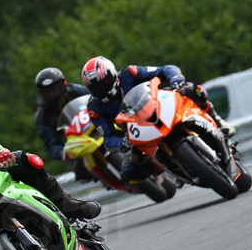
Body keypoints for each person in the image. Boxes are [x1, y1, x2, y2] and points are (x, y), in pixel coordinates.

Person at [81, 56, 235, 181]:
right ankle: (171, 169)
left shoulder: (130, 73)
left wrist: (176, 79)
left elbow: (165, 70)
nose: (101, 89)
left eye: (103, 83)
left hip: (159, 105)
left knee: (194, 90)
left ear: (111, 74)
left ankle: (218, 121)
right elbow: (107, 138)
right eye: (95, 87)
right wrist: (121, 143)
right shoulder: (94, 108)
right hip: (136, 131)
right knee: (129, 172)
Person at [34, 67, 96, 183]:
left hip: (97, 128)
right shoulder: (42, 117)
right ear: (42, 94)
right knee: (82, 174)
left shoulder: (77, 91)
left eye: (55, 90)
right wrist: (64, 152)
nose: (52, 95)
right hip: (76, 146)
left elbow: (98, 99)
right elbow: (50, 147)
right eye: (48, 93)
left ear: (63, 85)